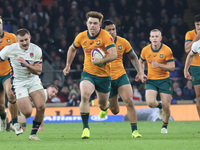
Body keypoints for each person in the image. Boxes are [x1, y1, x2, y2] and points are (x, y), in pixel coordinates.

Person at [63, 11, 117, 139]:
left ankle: (104, 109)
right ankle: (85, 128)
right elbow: (72, 49)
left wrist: (101, 61)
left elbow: (114, 54)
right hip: (88, 73)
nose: (92, 25)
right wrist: (68, 65)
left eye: (95, 23)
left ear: (100, 24)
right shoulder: (81, 36)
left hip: (104, 76)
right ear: (86, 23)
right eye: (90, 23)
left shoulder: (105, 36)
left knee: (103, 104)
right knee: (85, 95)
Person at [100, 20, 146, 138]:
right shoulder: (99, 43)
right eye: (109, 30)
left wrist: (140, 72)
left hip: (121, 76)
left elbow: (133, 57)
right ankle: (105, 105)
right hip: (106, 79)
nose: (112, 32)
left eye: (113, 29)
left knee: (129, 101)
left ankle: (134, 131)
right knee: (115, 111)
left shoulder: (122, 42)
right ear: (103, 31)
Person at [0, 28, 45, 140]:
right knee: (27, 113)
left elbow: (38, 71)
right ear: (17, 41)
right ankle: (23, 105)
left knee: (41, 107)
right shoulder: (10, 49)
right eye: (21, 41)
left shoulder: (36, 49)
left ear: (29, 38)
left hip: (33, 79)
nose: (24, 43)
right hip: (19, 82)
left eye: (26, 40)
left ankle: (33, 134)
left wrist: (27, 65)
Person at [139, 29, 175, 133]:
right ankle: (159, 105)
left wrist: (159, 65)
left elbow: (172, 67)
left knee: (167, 106)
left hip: (164, 80)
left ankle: (164, 126)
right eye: (153, 37)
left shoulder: (167, 50)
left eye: (156, 36)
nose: (154, 38)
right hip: (151, 80)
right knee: (150, 103)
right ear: (150, 38)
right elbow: (140, 61)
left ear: (160, 38)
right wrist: (142, 73)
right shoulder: (145, 50)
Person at [0, 16, 23, 134]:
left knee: (11, 94)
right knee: (0, 106)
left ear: (2, 25)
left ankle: (15, 123)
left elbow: (20, 50)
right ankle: (3, 118)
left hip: (6, 73)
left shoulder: (11, 37)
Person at [184, 14, 200, 118]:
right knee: (198, 97)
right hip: (195, 67)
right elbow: (187, 51)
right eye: (198, 24)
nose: (199, 26)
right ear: (194, 24)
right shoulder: (190, 34)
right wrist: (198, 36)